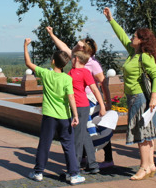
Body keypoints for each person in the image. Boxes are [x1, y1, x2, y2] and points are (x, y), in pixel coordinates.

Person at [103, 7, 156, 180]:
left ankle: (143, 167)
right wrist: (111, 19)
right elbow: (121, 36)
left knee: (141, 133)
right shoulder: (133, 52)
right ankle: (150, 164)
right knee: (147, 132)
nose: (131, 38)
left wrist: (153, 98)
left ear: (142, 41)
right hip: (136, 98)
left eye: (135, 36)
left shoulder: (145, 56)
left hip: (140, 99)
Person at [46, 27, 114, 169]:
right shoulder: (77, 60)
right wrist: (52, 35)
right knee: (83, 131)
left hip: (88, 98)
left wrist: (106, 104)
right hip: (78, 98)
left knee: (83, 131)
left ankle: (85, 162)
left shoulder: (92, 64)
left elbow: (102, 84)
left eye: (81, 46)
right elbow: (63, 46)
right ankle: (89, 161)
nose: (77, 47)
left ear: (87, 51)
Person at [23, 38, 85, 185]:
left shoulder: (46, 74)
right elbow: (71, 98)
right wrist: (75, 115)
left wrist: (25, 46)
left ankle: (38, 172)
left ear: (53, 62)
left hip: (49, 116)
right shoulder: (66, 78)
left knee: (44, 144)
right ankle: (73, 175)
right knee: (68, 146)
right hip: (64, 117)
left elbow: (28, 63)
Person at [68, 50, 106, 174]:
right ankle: (93, 164)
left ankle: (76, 166)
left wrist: (102, 106)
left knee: (78, 137)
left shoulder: (85, 72)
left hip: (81, 107)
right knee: (84, 134)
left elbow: (94, 89)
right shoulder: (72, 71)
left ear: (77, 59)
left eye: (73, 58)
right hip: (76, 106)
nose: (71, 60)